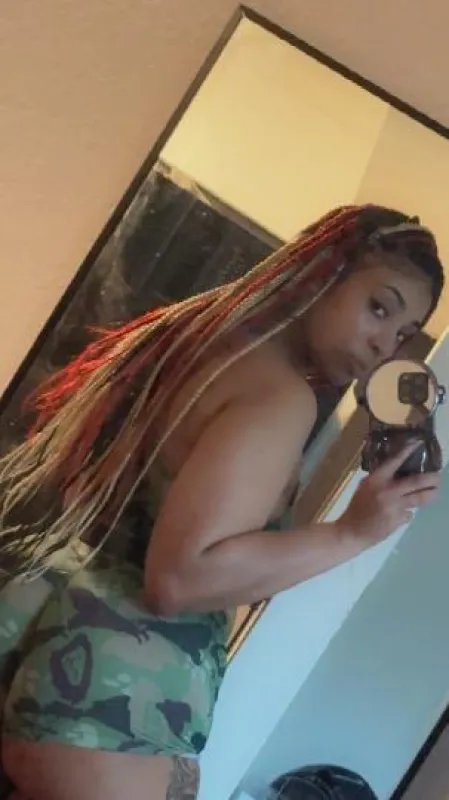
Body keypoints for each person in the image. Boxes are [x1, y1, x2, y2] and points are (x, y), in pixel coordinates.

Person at [0, 204, 444, 800]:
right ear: (325, 272)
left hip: (60, 647)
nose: (383, 345)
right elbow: (180, 579)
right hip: (103, 699)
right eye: (379, 308)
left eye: (402, 334)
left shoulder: (197, 340)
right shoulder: (279, 397)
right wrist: (353, 532)